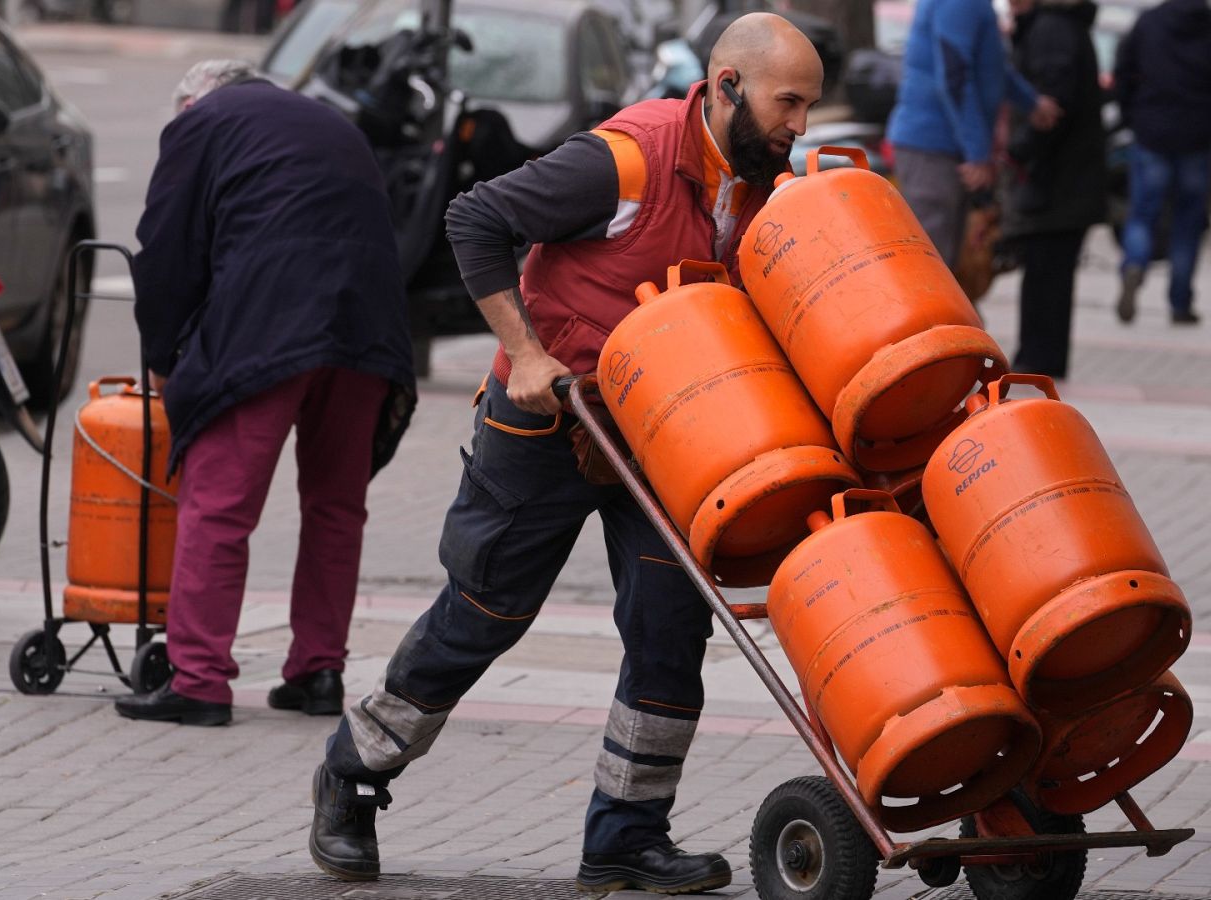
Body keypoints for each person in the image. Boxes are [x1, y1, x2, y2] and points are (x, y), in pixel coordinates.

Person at [305, 14, 824, 893]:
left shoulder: (758, 183)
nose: (799, 126)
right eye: (789, 103)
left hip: (660, 434)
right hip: (547, 420)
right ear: (728, 86)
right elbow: (476, 218)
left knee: (671, 627)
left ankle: (626, 835)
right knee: (486, 612)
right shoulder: (626, 161)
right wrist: (528, 353)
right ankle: (354, 771)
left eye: (809, 107)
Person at [114, 61, 415, 728]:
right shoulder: (331, 123)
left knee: (218, 506)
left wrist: (163, 360)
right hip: (367, 327)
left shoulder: (201, 123)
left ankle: (199, 681)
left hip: (270, 325)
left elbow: (165, 250)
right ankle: (318, 671)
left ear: (192, 102)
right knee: (336, 508)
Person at [886, 0, 1060, 269]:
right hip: (933, 147)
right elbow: (954, 75)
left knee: (944, 263)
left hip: (943, 146)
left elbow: (990, 65)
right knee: (931, 266)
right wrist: (977, 153)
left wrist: (1031, 102)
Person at [1113, 0, 1211, 325]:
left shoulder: (1149, 23)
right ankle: (1180, 301)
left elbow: (1123, 71)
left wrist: (1133, 116)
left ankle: (1135, 264)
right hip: (1197, 137)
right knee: (1188, 222)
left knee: (1142, 213)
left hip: (1151, 132)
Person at [1002, 0, 1106, 379]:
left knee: (1046, 273)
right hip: (1064, 177)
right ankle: (1041, 358)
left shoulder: (1051, 29)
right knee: (1050, 272)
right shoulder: (1059, 26)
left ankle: (1038, 359)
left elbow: (1054, 105)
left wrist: (1018, 151)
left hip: (1056, 178)